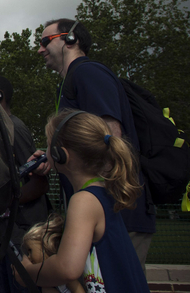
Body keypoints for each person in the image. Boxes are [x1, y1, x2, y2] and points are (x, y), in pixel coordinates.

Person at [37, 18, 155, 272]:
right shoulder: (73, 80)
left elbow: (110, 134)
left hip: (116, 212)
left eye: (45, 41)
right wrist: (52, 155)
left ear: (71, 40)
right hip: (102, 212)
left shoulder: (87, 72)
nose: (40, 49)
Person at [14, 110, 150, 292]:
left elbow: (67, 269)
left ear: (60, 154)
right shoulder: (100, 190)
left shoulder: (83, 201)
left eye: (48, 145)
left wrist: (27, 272)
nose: (44, 152)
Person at [0, 76, 50, 293]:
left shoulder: (15, 128)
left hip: (23, 235)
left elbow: (39, 184)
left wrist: (3, 202)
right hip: (5, 233)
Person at [22, 214, 85, 293]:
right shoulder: (45, 282)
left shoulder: (66, 276)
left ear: (47, 246)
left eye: (30, 251)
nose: (28, 257)